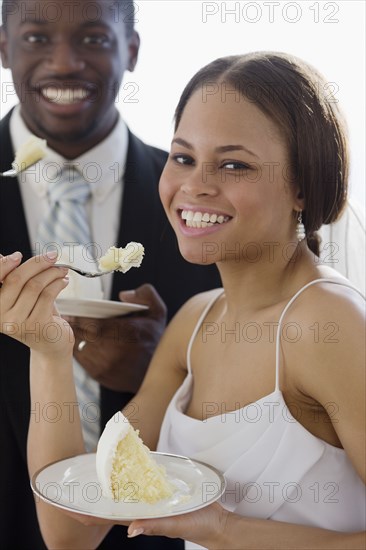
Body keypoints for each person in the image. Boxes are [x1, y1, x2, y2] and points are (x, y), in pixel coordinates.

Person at [1, 50, 365, 549]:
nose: (195, 186)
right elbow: (70, 531)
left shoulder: (328, 322)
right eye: (183, 157)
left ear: (302, 185)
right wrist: (49, 351)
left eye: (234, 165)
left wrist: (223, 530)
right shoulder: (193, 325)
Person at [0, 1, 221, 549]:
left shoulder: (209, 203)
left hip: (160, 533)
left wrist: (162, 378)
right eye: (35, 39)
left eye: (94, 39)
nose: (65, 62)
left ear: (133, 50)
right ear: (2, 47)